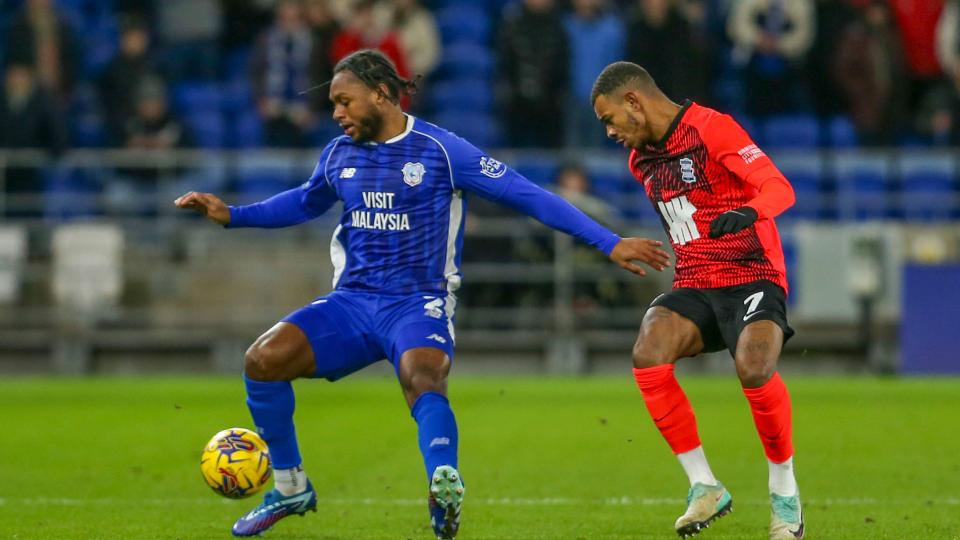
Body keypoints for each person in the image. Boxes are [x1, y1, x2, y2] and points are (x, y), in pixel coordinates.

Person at [175, 49, 669, 539]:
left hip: (417, 302)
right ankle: (289, 486)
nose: (337, 113)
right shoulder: (338, 154)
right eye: (333, 105)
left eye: (345, 101)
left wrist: (607, 242)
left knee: (422, 374)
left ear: (382, 93)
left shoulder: (442, 150)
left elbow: (527, 194)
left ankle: (442, 481)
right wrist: (233, 215)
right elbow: (303, 203)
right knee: (262, 361)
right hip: (352, 302)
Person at [590, 61, 802, 539]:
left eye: (609, 119)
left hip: (753, 275)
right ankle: (704, 485)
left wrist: (749, 211)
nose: (609, 132)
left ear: (633, 103)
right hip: (697, 280)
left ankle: (785, 493)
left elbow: (779, 188)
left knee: (753, 368)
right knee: (648, 352)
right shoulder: (639, 160)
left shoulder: (712, 129)